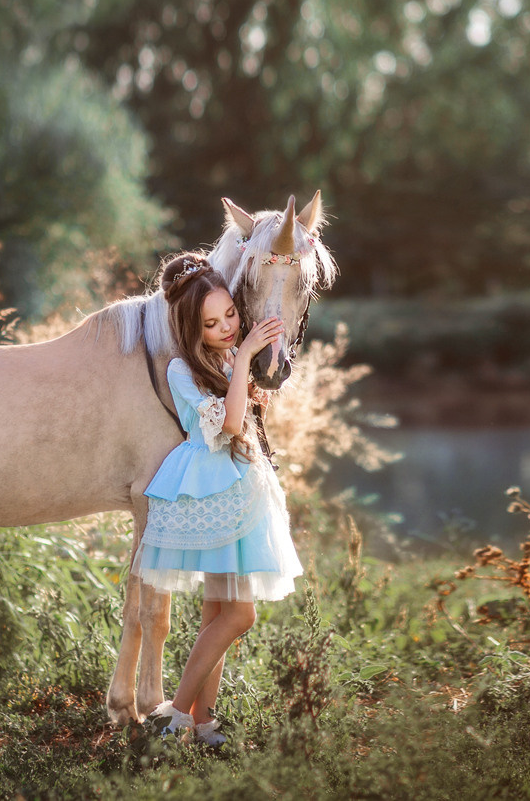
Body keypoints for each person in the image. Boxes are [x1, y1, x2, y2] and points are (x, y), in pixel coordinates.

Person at [135, 252, 302, 747]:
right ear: (192, 328)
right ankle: (175, 713)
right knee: (240, 614)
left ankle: (203, 721)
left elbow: (243, 414)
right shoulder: (182, 371)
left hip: (239, 484)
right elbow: (228, 425)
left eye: (230, 313)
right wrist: (246, 359)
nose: (228, 326)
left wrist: (245, 373)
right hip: (211, 488)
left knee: (218, 612)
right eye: (212, 323)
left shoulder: (225, 359)